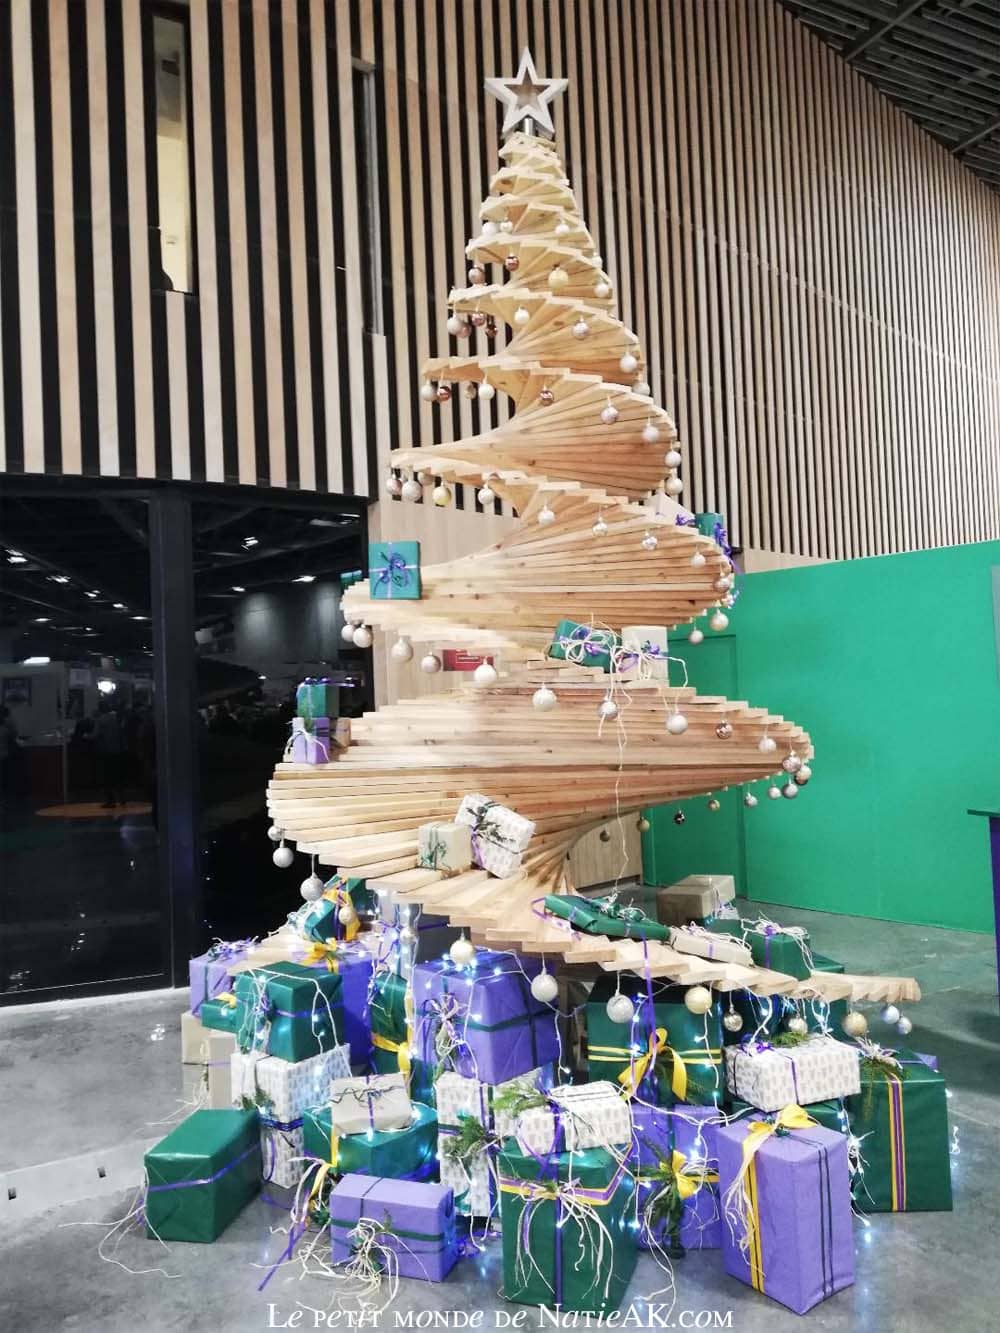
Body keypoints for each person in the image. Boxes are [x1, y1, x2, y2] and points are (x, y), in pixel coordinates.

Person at [93, 701, 125, 807]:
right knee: (117, 775)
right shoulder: (115, 719)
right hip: (117, 750)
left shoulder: (100, 720)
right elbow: (121, 733)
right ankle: (122, 798)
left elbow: (95, 735)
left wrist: (85, 736)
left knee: (106, 776)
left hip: (106, 751)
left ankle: (110, 800)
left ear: (100, 709)